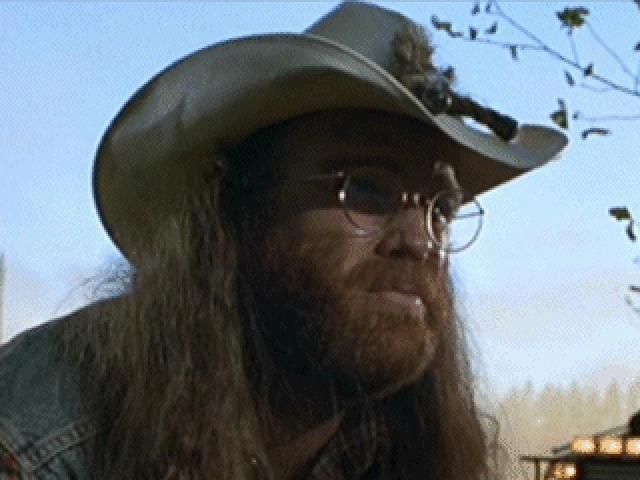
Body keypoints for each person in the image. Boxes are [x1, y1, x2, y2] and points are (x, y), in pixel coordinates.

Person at [0, 2, 567, 479]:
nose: (420, 241)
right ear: (235, 216)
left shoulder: (399, 443)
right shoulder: (46, 428)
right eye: (368, 189)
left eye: (441, 210)